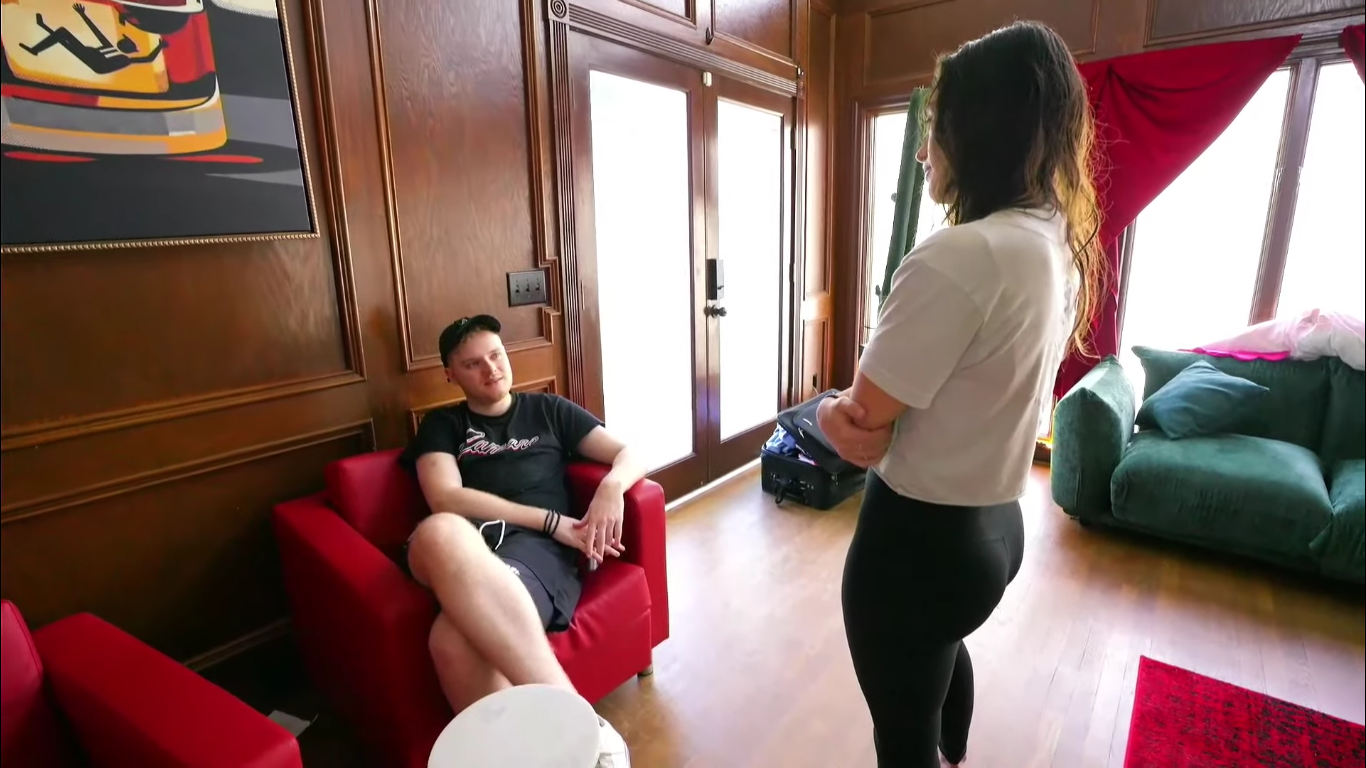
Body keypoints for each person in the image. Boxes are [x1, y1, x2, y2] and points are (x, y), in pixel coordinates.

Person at [816, 21, 1103, 768]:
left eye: (935, 129)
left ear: (977, 132)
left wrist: (821, 407)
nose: (923, 152)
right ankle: (957, 751)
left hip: (916, 544)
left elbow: (861, 428)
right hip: (996, 530)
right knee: (938, 647)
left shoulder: (958, 255)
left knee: (901, 731)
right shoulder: (1052, 241)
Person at [399, 314, 645, 763]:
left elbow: (630, 452)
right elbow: (445, 497)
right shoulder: (442, 425)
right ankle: (582, 728)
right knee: (438, 529)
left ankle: (541, 755)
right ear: (450, 375)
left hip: (536, 555)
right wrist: (550, 520)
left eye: (496, 355)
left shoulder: (549, 410)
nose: (491, 369)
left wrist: (611, 488)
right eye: (473, 364)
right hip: (463, 548)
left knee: (449, 640)